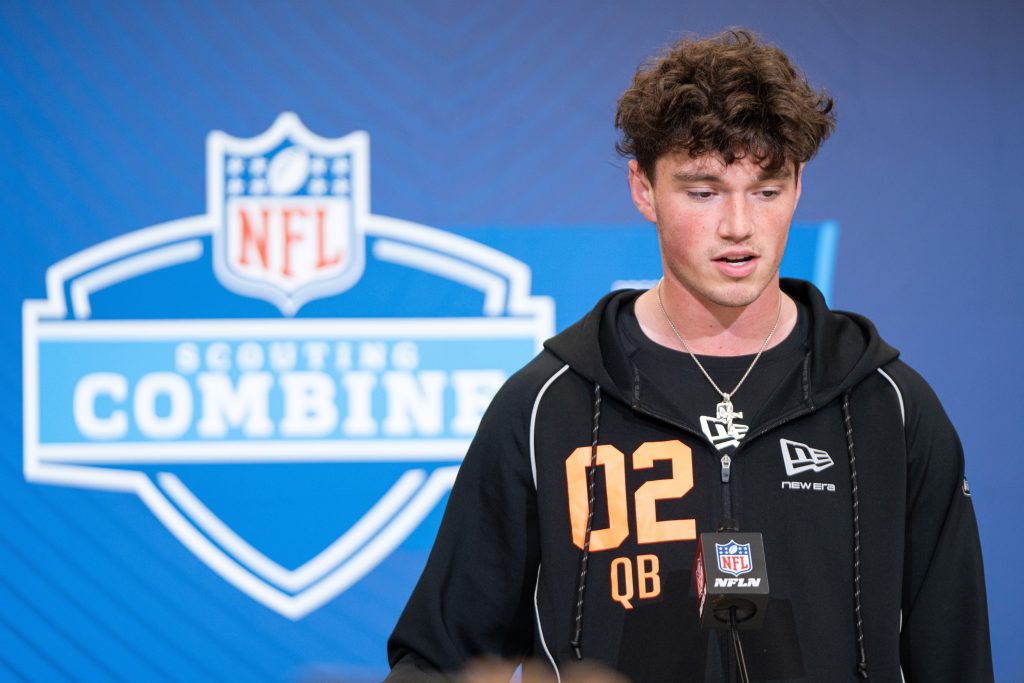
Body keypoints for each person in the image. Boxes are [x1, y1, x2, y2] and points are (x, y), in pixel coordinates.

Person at [385, 29, 993, 682]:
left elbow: (956, 660)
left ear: (799, 186)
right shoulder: (543, 408)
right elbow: (435, 660)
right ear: (643, 189)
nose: (739, 225)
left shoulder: (890, 407)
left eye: (766, 188)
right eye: (703, 191)